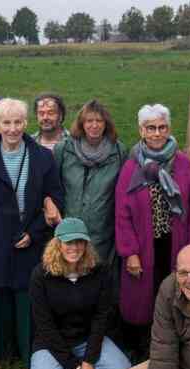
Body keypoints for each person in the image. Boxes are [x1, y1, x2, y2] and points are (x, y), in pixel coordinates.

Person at [0, 98, 63, 369]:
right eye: (6, 123)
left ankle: (27, 351)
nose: (12, 129)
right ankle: (1, 352)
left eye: (17, 122)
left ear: (25, 123)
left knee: (26, 296)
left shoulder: (43, 157)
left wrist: (34, 233)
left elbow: (55, 197)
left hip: (30, 238)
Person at [115, 104, 190, 361]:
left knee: (174, 297)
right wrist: (129, 252)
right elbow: (122, 215)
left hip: (175, 245)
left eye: (162, 127)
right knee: (141, 300)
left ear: (169, 129)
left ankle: (173, 352)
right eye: (151, 128)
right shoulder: (132, 167)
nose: (157, 133)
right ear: (141, 131)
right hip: (143, 246)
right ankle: (140, 352)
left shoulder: (184, 164)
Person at [29, 217, 131, 369]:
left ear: (86, 244)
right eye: (68, 242)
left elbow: (101, 317)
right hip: (50, 343)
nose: (74, 247)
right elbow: (44, 325)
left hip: (86, 340)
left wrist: (89, 360)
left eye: (79, 242)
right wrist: (72, 365)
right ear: (57, 244)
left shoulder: (99, 272)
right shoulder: (41, 275)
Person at [45, 100, 126, 278]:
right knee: (68, 278)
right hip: (68, 230)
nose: (94, 125)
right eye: (89, 121)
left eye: (99, 121)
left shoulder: (118, 152)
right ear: (81, 123)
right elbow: (52, 187)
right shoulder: (64, 149)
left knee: (97, 280)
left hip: (102, 232)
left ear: (107, 124)